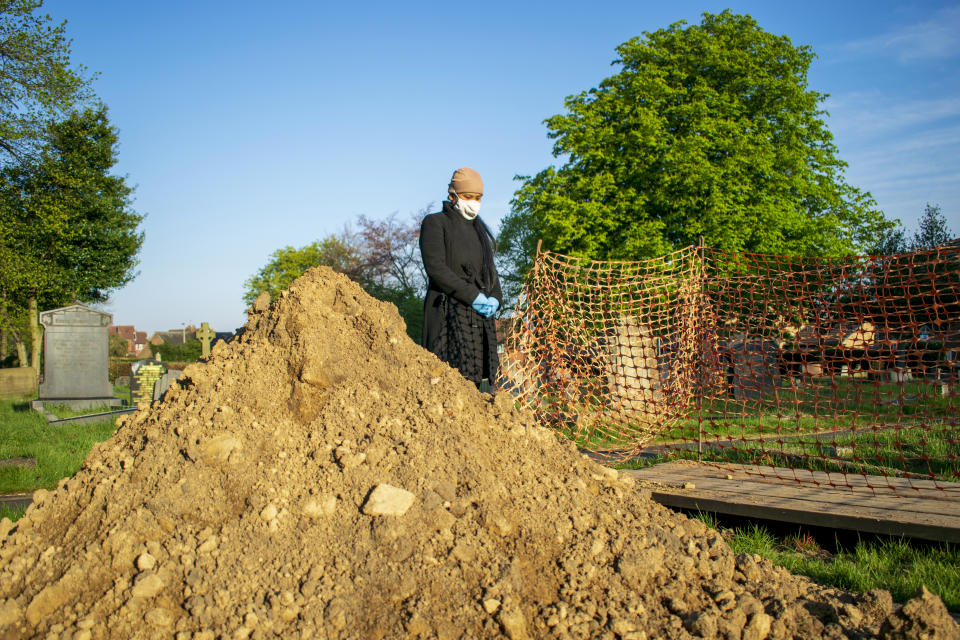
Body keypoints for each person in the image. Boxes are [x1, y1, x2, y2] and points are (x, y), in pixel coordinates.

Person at [420, 167, 502, 391]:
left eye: (478, 198)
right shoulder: (435, 223)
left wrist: (495, 298)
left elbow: (491, 273)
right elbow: (436, 269)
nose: (474, 203)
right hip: (448, 317)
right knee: (450, 385)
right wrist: (473, 296)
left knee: (482, 387)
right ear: (452, 194)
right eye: (467, 197)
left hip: (478, 325)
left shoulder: (480, 231)